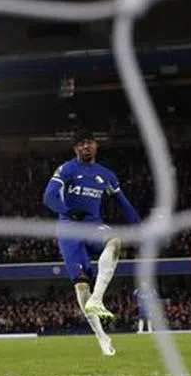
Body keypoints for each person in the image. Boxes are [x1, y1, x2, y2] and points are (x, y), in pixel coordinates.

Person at [42, 130, 140, 356]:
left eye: (89, 143)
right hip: (69, 229)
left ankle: (97, 299)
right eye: (81, 144)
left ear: (96, 146)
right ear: (75, 148)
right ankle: (101, 337)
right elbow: (49, 197)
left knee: (114, 241)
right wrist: (67, 211)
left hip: (93, 225)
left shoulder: (105, 175)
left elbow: (123, 204)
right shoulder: (67, 169)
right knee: (81, 285)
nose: (86, 147)